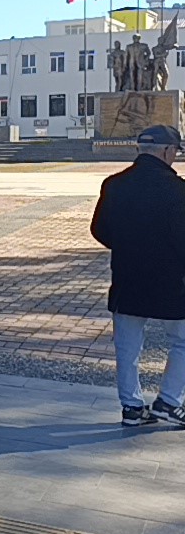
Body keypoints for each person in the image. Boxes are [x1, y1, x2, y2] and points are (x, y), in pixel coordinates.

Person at [91, 125, 185, 427]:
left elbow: (99, 229)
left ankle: (131, 407)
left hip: (127, 274)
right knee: (182, 342)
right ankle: (168, 401)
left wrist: (127, 245)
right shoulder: (179, 190)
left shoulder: (114, 184)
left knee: (128, 347)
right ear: (168, 151)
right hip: (172, 278)